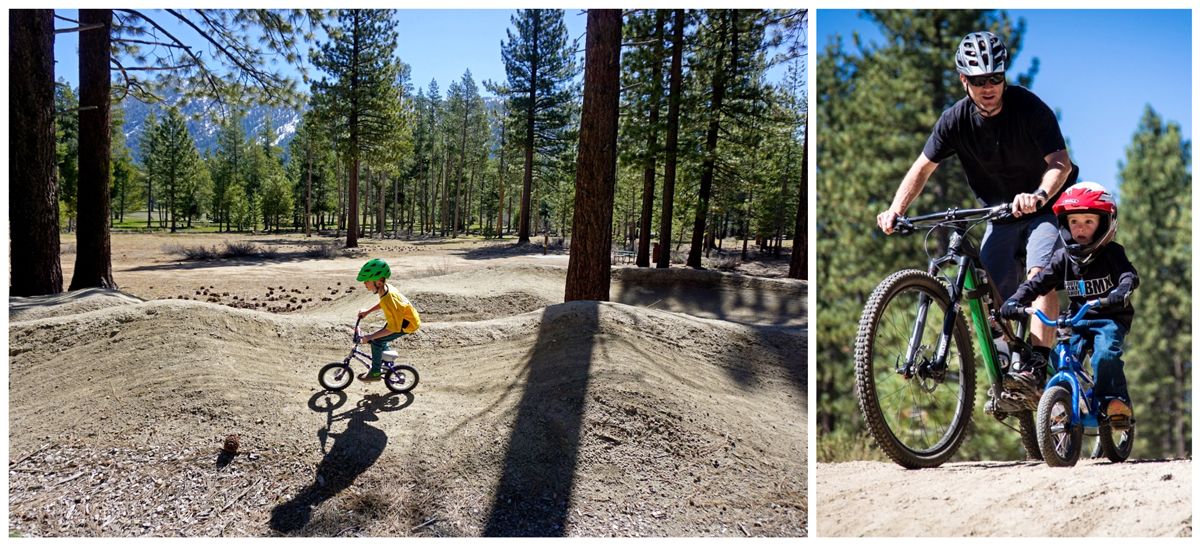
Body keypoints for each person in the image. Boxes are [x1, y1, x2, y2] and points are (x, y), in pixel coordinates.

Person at [876, 30, 1078, 381]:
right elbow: (922, 168)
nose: (989, 87)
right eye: (979, 79)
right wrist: (897, 209)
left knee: (1037, 275)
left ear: (1003, 76)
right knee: (994, 282)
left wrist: (1040, 195)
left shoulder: (1028, 108)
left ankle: (1037, 363)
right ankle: (1012, 349)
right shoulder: (954, 120)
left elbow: (1060, 162)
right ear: (963, 80)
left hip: (1044, 210)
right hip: (999, 216)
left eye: (995, 78)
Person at [999, 182, 1138, 427]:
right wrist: (1015, 299)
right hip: (1076, 319)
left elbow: (1129, 276)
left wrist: (1121, 291)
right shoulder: (1063, 257)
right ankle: (1062, 402)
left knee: (1105, 356)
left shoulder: (1112, 253)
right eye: (1074, 222)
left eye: (1088, 221)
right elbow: (1039, 283)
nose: (1080, 228)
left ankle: (1114, 400)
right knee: (1059, 357)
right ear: (1064, 225)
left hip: (1109, 318)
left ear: (1105, 224)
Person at [355, 258, 421, 381]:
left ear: (378, 282)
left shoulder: (389, 298)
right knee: (379, 337)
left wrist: (370, 337)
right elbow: (384, 304)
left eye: (367, 281)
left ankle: (375, 373)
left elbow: (393, 328)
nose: (365, 284)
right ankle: (386, 359)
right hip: (399, 319)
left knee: (376, 341)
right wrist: (367, 312)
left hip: (406, 325)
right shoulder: (385, 290)